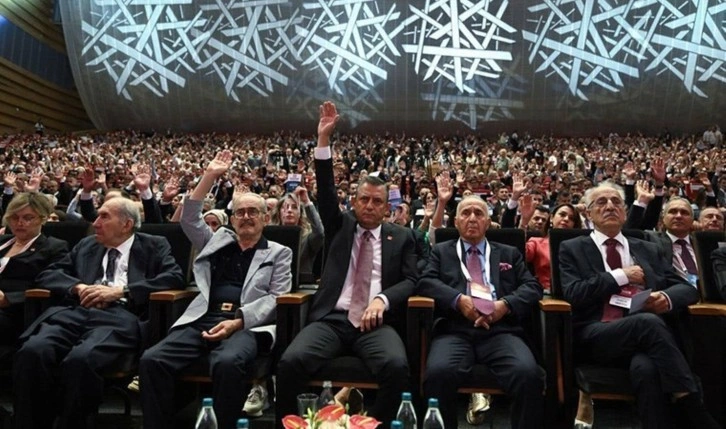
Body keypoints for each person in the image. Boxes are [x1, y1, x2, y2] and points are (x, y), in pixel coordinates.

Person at [276, 101, 418, 426]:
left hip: (377, 323)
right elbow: (326, 190)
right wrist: (323, 140)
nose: (369, 206)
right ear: (354, 202)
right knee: (290, 362)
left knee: (397, 368)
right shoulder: (339, 226)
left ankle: (371, 425)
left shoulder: (403, 237)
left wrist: (382, 300)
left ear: (387, 208)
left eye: (377, 201)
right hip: (332, 320)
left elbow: (412, 280)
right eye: (363, 199)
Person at [139, 150, 292, 429]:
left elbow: (276, 297)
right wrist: (209, 176)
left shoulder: (279, 252)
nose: (246, 217)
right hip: (204, 318)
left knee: (227, 362)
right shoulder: (217, 242)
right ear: (232, 220)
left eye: (253, 212)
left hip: (246, 325)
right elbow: (189, 219)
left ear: (266, 218)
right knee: (152, 359)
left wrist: (238, 321)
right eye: (240, 212)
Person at [12, 197, 185, 429]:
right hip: (75, 311)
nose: (95, 223)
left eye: (104, 217)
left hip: (119, 316)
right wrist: (78, 287)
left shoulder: (153, 245)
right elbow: (50, 274)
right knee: (33, 351)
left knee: (81, 359)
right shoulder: (87, 245)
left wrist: (121, 291)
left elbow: (173, 278)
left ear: (126, 224)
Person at [559, 182, 720, 429]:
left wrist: (664, 298)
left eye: (616, 202)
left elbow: (687, 288)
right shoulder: (572, 248)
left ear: (624, 212)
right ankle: (693, 406)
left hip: (648, 339)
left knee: (646, 369)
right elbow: (574, 293)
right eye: (601, 202)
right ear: (588, 213)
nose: (610, 206)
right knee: (647, 323)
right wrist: (620, 276)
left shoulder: (648, 248)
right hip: (598, 334)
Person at [417, 195, 545, 429]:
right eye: (466, 213)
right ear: (456, 222)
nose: (472, 218)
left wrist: (505, 305)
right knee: (438, 374)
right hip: (455, 330)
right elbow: (425, 282)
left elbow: (532, 287)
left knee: (528, 374)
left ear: (488, 222)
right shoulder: (442, 252)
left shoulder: (508, 253)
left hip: (501, 330)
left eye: (479, 213)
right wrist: (458, 301)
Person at [0, 193, 68, 346]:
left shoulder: (53, 247)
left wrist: (8, 299)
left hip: (17, 311)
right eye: (14, 217)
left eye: (28, 218)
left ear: (43, 219)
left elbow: (51, 286)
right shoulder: (2, 241)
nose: (19, 223)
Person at [269, 186, 323, 281]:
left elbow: (319, 233)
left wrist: (306, 202)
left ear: (300, 213)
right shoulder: (270, 236)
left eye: (294, 207)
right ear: (278, 212)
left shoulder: (307, 238)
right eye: (285, 207)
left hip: (301, 285)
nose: (289, 210)